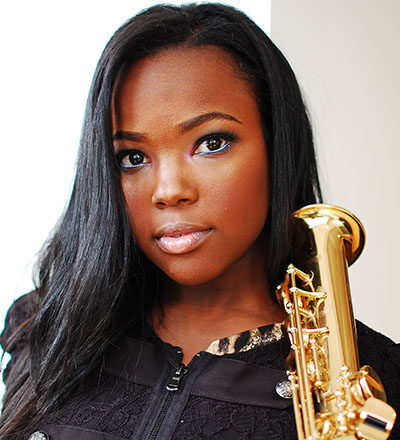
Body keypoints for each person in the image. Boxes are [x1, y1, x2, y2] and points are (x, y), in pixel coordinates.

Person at [1, 3, 399, 440]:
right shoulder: (47, 327)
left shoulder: (377, 382)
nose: (169, 190)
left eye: (212, 142)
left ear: (276, 143)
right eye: (133, 158)